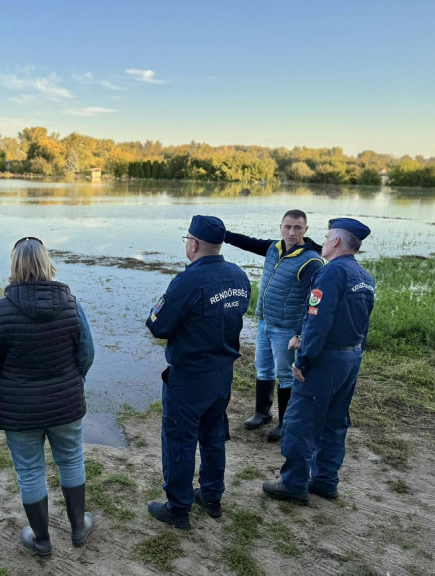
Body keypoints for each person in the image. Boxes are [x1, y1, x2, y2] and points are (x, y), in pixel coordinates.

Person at [0, 237, 95, 557]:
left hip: (19, 409)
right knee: (71, 460)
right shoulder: (72, 304)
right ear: (47, 263)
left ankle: (41, 540)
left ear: (14, 266)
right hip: (66, 403)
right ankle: (79, 529)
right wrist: (72, 379)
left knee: (29, 470)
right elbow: (87, 354)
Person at [146, 216, 251, 528]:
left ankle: (178, 508)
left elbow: (158, 325)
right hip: (222, 373)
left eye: (186, 240)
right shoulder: (238, 275)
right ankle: (212, 495)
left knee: (179, 439)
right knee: (213, 436)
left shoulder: (188, 280)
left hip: (190, 376)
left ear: (193, 244)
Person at [262, 218, 374, 504]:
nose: (322, 242)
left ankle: (294, 484)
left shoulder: (330, 273)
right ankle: (325, 481)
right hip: (351, 357)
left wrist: (303, 359)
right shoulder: (363, 276)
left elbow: (318, 320)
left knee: (300, 421)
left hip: (326, 360)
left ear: (336, 241)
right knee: (335, 422)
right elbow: (359, 320)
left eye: (326, 237)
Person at [224, 210, 324, 441]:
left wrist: (300, 333)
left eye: (297, 228)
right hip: (265, 322)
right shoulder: (274, 248)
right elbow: (249, 243)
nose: (291, 232)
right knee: (263, 368)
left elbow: (314, 302)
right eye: (287, 227)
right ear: (280, 226)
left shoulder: (311, 262)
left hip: (287, 329)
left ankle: (285, 423)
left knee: (286, 376)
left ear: (306, 230)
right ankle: (262, 413)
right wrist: (224, 235)